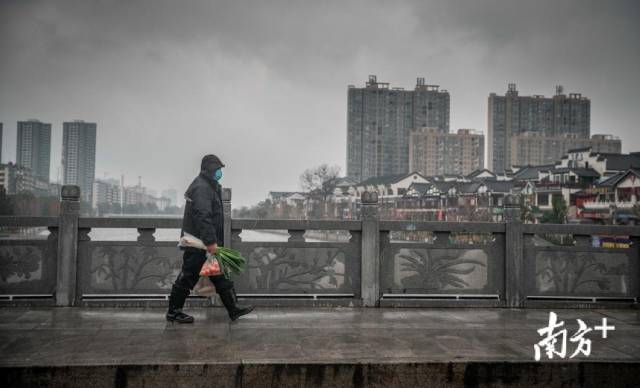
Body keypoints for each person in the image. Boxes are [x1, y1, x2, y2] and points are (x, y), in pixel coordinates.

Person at [166, 154, 254, 323]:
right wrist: (211, 242)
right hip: (198, 244)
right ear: (210, 169)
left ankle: (233, 309)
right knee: (187, 276)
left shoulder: (208, 185)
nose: (220, 172)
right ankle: (173, 312)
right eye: (218, 169)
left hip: (204, 243)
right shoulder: (202, 188)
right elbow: (203, 216)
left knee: (219, 274)